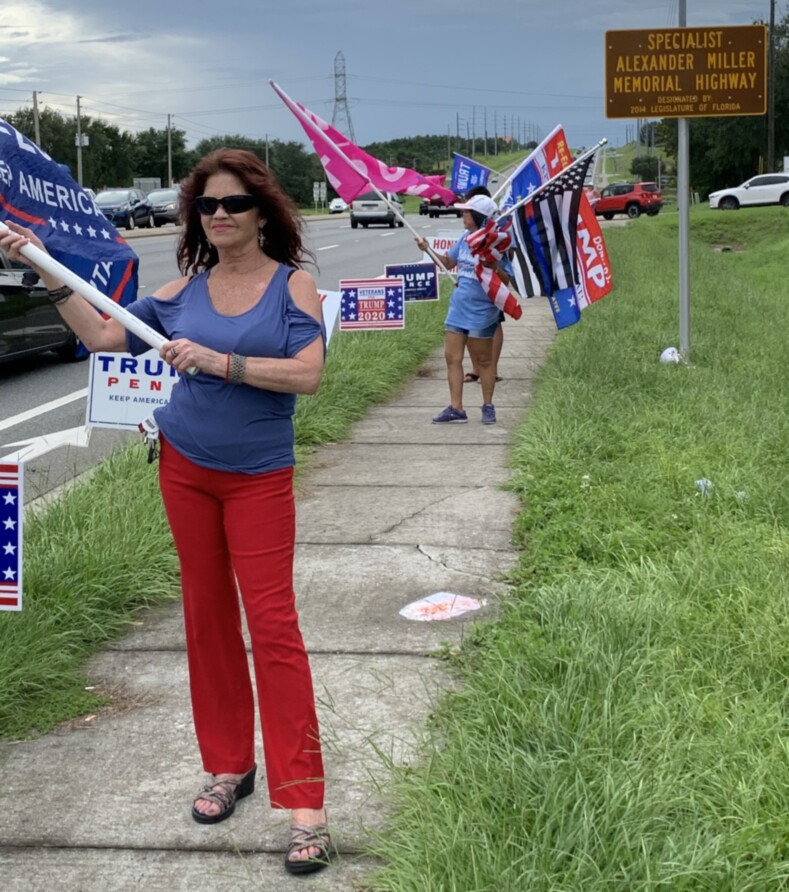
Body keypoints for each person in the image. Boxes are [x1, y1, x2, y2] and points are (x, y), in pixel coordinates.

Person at [0, 148, 332, 876]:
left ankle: (305, 804)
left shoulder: (292, 286)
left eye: (233, 203)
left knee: (274, 629)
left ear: (261, 212)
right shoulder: (181, 292)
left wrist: (217, 362)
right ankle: (229, 766)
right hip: (186, 471)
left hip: (258, 479)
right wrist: (44, 269)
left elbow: (307, 375)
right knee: (207, 621)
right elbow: (102, 337)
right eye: (207, 206)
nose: (219, 215)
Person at [416, 193, 501, 425]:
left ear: (478, 216)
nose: (462, 215)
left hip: (482, 311)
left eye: (466, 212)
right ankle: (456, 408)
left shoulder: (494, 242)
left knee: (484, 361)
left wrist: (492, 266)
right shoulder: (464, 239)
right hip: (458, 308)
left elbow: (506, 279)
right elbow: (448, 262)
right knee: (452, 357)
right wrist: (427, 249)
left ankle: (488, 406)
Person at [458, 185, 507, 385]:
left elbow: (507, 260)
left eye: (468, 210)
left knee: (494, 324)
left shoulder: (497, 234)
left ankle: (491, 370)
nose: (464, 214)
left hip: (491, 287)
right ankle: (477, 369)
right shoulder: (467, 235)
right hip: (469, 290)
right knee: (469, 328)